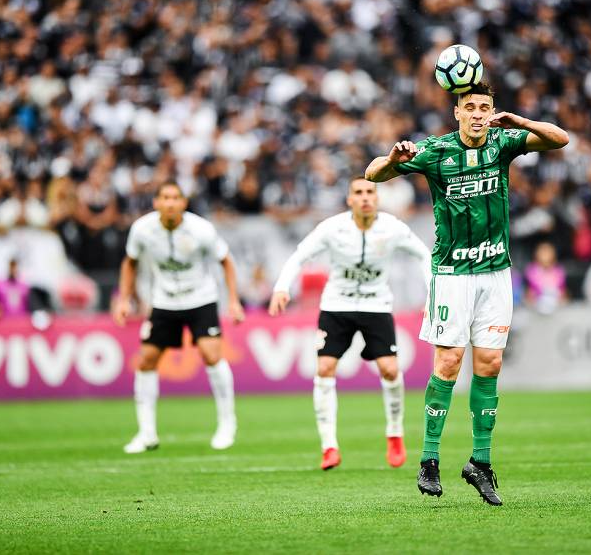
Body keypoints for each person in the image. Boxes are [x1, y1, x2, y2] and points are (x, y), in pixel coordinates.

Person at [365, 81, 569, 506]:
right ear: (456, 112)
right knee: (450, 360)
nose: (478, 114)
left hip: (496, 272)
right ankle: (429, 460)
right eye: (470, 107)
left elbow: (560, 138)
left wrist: (519, 120)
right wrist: (393, 159)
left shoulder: (503, 141)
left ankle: (480, 462)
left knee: (490, 363)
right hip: (453, 273)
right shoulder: (436, 151)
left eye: (484, 107)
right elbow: (372, 175)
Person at [268, 177, 431, 471]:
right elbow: (299, 256)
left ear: (377, 199)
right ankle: (329, 445)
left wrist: (432, 294)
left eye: (370, 192)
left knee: (390, 369)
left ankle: (395, 432)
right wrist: (282, 288)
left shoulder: (392, 228)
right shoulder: (333, 228)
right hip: (336, 306)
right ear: (349, 199)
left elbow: (424, 255)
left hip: (376, 306)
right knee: (325, 368)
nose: (365, 197)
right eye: (359, 193)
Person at [114, 181, 245, 454]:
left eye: (176, 198)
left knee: (211, 355)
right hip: (163, 301)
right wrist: (124, 298)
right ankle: (146, 433)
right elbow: (130, 262)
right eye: (165, 197)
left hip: (200, 299)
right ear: (156, 202)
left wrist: (233, 300)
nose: (171, 203)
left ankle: (226, 424)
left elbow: (226, 261)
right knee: (147, 360)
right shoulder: (142, 229)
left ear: (184, 203)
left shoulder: (201, 229)